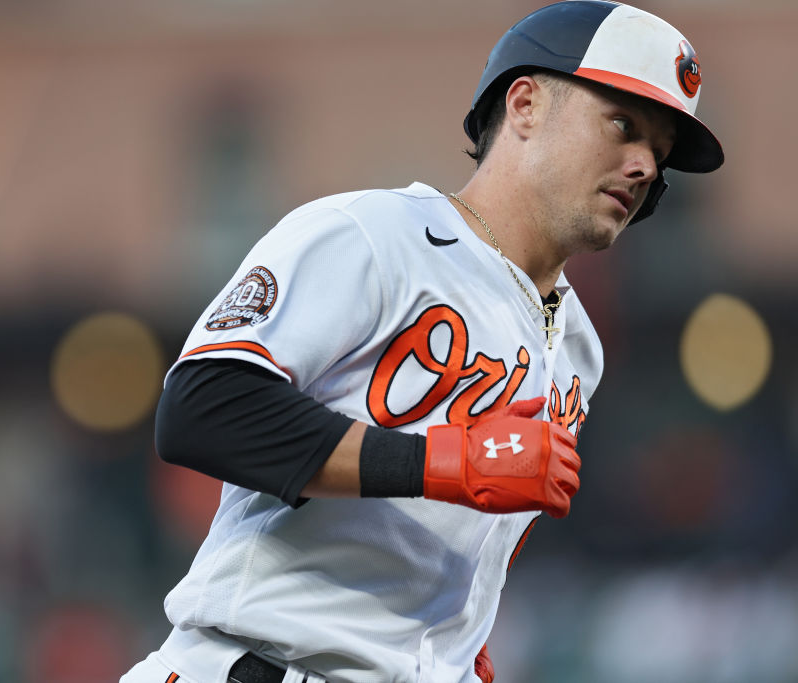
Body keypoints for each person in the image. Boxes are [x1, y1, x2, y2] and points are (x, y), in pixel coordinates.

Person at [123, 1, 723, 681]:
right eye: (623, 126)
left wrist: (459, 639)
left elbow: (468, 530)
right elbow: (202, 409)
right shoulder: (376, 234)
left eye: (659, 153)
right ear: (525, 105)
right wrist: (444, 460)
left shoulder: (581, 348)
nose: (644, 166)